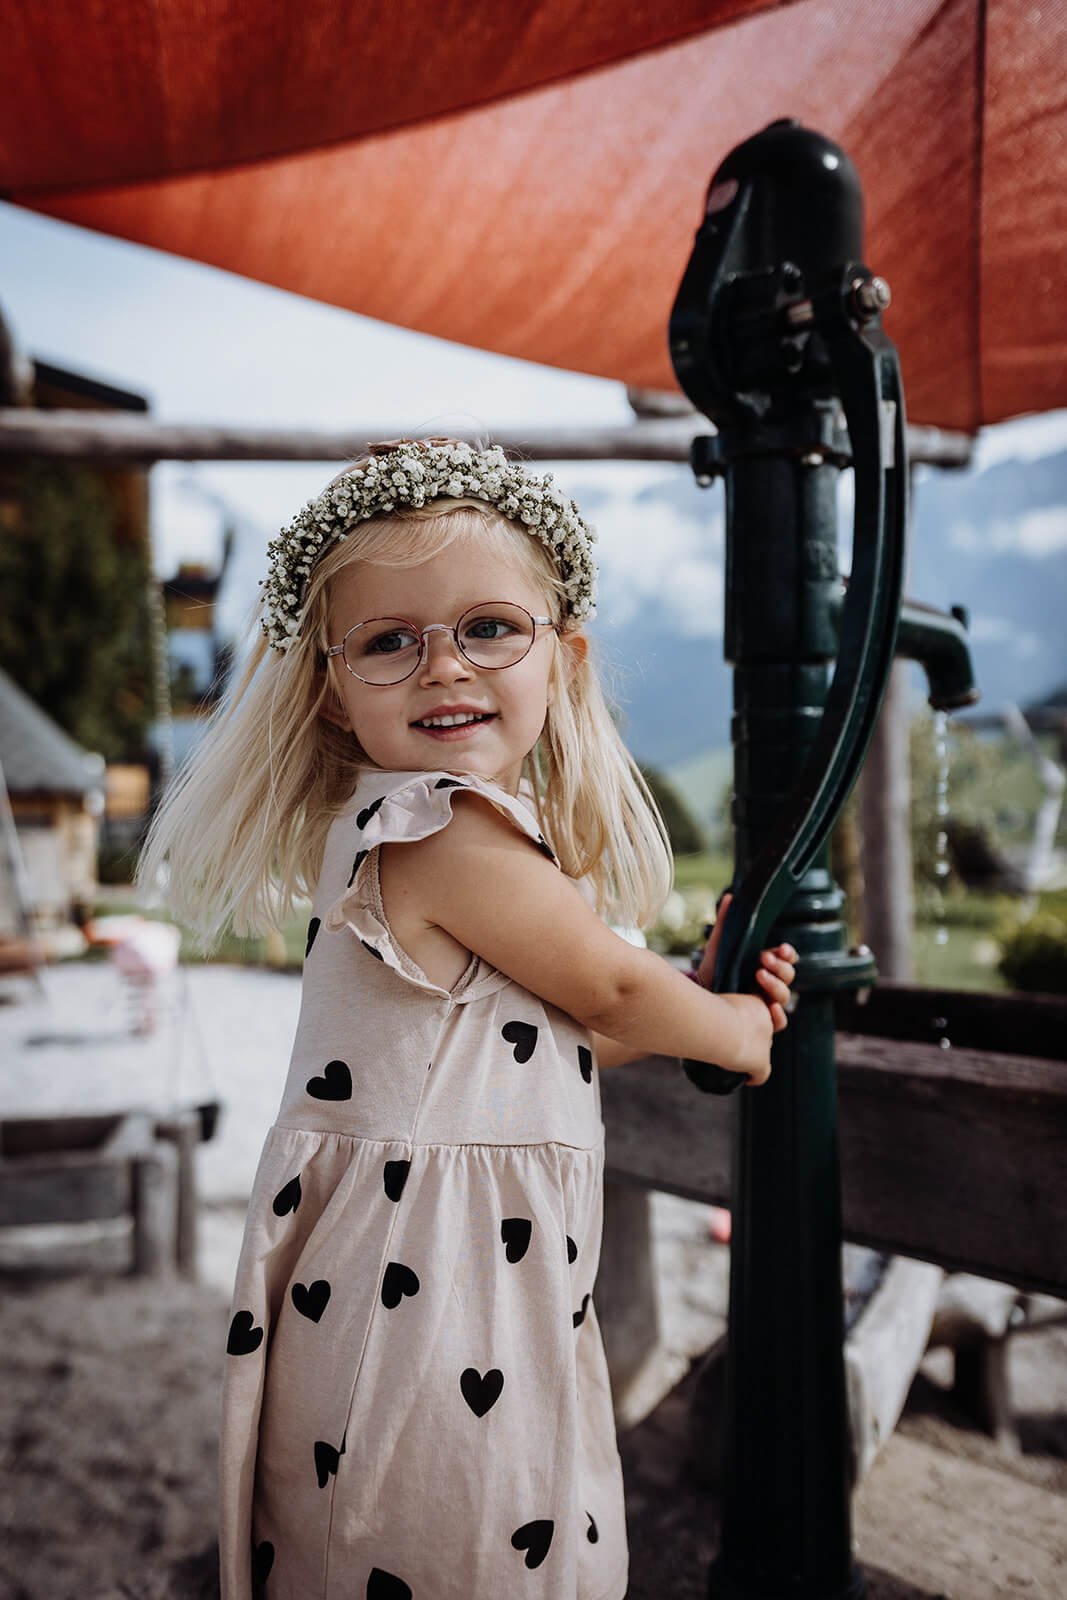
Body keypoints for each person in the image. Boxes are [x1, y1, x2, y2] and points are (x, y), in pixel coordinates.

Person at [138, 438, 797, 1600]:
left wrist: (696, 989)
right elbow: (608, 989)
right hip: (431, 1287)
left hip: (440, 1273)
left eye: (488, 627)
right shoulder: (435, 825)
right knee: (452, 1532)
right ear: (335, 689)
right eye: (391, 641)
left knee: (437, 1529)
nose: (444, 666)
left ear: (564, 659)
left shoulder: (411, 827)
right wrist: (738, 1030)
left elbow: (562, 1040)